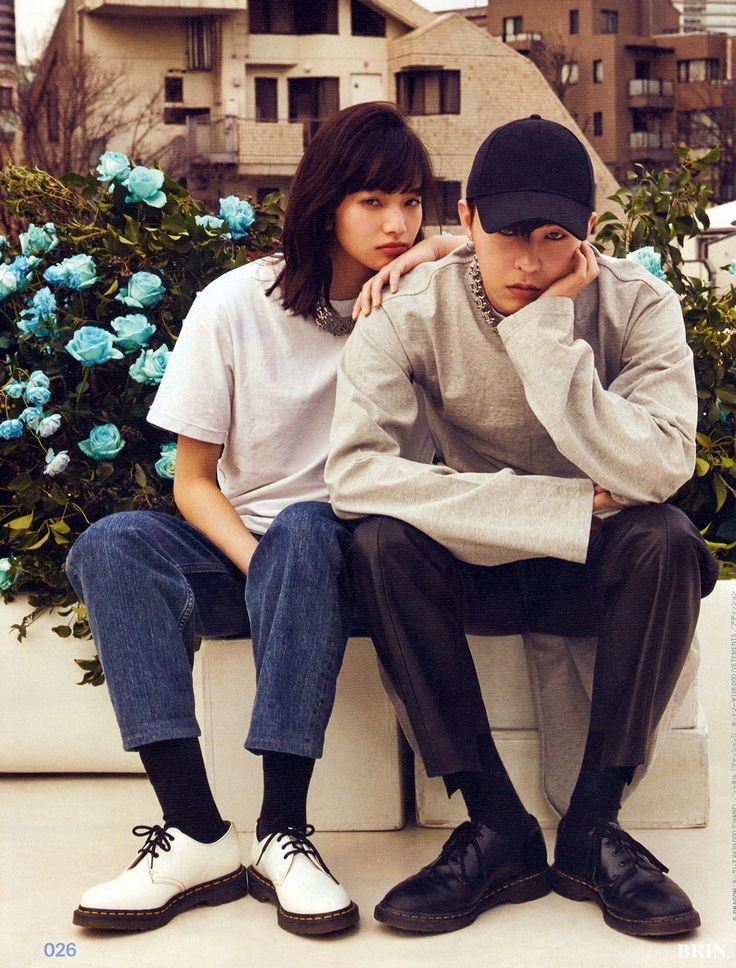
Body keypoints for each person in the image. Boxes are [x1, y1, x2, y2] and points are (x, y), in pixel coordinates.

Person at [326, 114, 720, 938]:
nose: (532, 262)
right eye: (507, 234)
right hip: (483, 563)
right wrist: (560, 507)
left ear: (587, 236)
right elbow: (355, 473)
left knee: (670, 541)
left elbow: (658, 470)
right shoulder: (409, 311)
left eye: (554, 237)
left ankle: (593, 829)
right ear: (464, 219)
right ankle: (495, 825)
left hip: (595, 570)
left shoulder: (638, 304)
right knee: (378, 544)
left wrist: (545, 331)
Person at [65, 101, 451, 937]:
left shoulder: (426, 303)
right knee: (113, 544)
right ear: (325, 205)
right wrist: (258, 561)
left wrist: (438, 250)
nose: (396, 224)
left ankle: (283, 830)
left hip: (361, 561)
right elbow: (194, 481)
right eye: (373, 202)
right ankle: (195, 832)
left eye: (412, 202)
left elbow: (513, 262)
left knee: (312, 530)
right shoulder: (236, 304)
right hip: (251, 554)